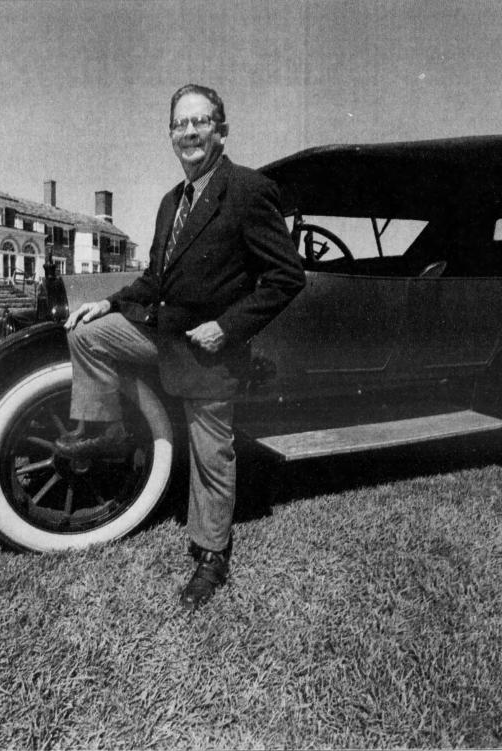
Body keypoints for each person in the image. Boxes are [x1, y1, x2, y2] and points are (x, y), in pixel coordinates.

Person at [57, 83, 305, 611]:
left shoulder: (249, 190)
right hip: (161, 334)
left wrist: (228, 327)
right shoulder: (173, 201)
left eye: (201, 122)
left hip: (211, 349)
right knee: (87, 334)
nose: (189, 132)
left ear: (221, 129)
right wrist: (109, 303)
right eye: (180, 124)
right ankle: (108, 431)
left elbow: (286, 277)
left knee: (210, 454)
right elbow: (155, 278)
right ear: (171, 134)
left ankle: (212, 557)